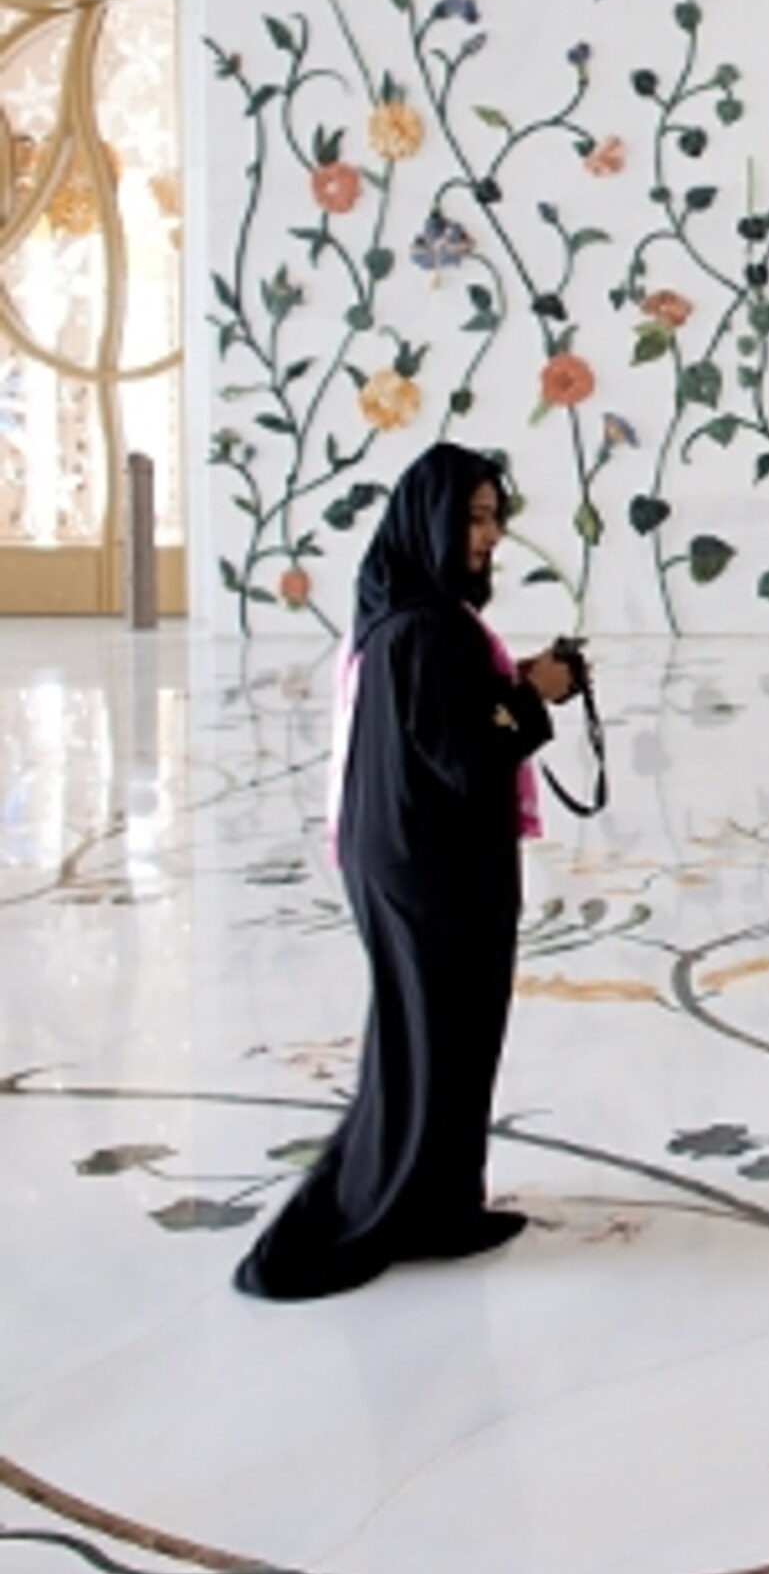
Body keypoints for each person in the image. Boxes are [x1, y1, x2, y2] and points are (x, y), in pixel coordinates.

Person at [234, 444, 575, 1303]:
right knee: (435, 1038)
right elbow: (466, 752)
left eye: (495, 517)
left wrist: (518, 685)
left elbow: (447, 725)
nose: (489, 536)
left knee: (443, 1036)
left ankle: (441, 1206)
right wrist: (541, 695)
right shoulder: (428, 627)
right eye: (473, 516)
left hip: (414, 853)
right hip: (434, 864)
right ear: (430, 516)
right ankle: (380, 1212)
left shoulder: (409, 610)